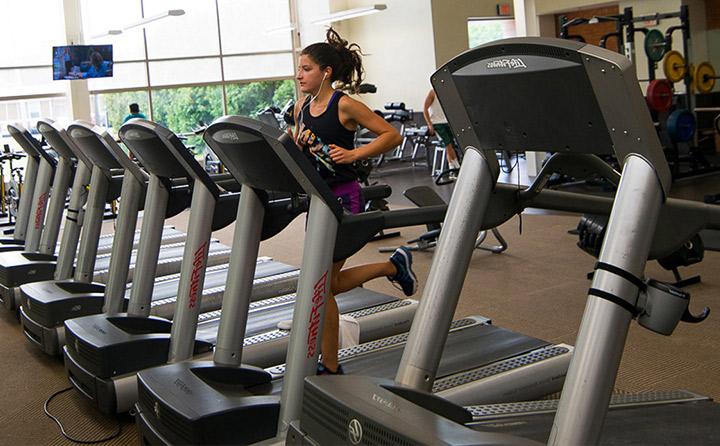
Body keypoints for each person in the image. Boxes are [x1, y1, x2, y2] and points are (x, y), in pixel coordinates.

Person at [293, 28, 418, 375]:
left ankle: (330, 364)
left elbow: (391, 134)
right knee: (325, 283)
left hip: (343, 196)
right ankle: (392, 266)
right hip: (316, 199)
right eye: (299, 68)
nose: (299, 74)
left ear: (326, 73)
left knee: (321, 282)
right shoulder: (302, 106)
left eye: (306, 68)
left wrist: (355, 153)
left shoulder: (344, 104)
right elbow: (299, 146)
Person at [423, 88, 460, 177]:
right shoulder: (432, 93)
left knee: (450, 146)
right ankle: (458, 167)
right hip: (437, 124)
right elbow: (425, 109)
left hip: (446, 122)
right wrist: (430, 124)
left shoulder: (446, 92)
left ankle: (451, 169)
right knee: (448, 145)